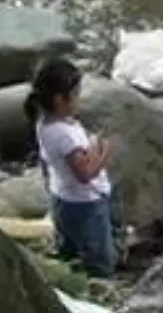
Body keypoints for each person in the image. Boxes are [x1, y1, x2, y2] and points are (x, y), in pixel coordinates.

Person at [27, 58, 119, 276]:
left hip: (62, 198)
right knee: (99, 256)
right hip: (85, 203)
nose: (80, 99)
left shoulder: (43, 123)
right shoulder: (64, 135)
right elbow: (84, 174)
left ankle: (68, 274)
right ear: (60, 99)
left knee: (68, 247)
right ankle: (100, 284)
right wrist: (104, 153)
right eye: (76, 94)